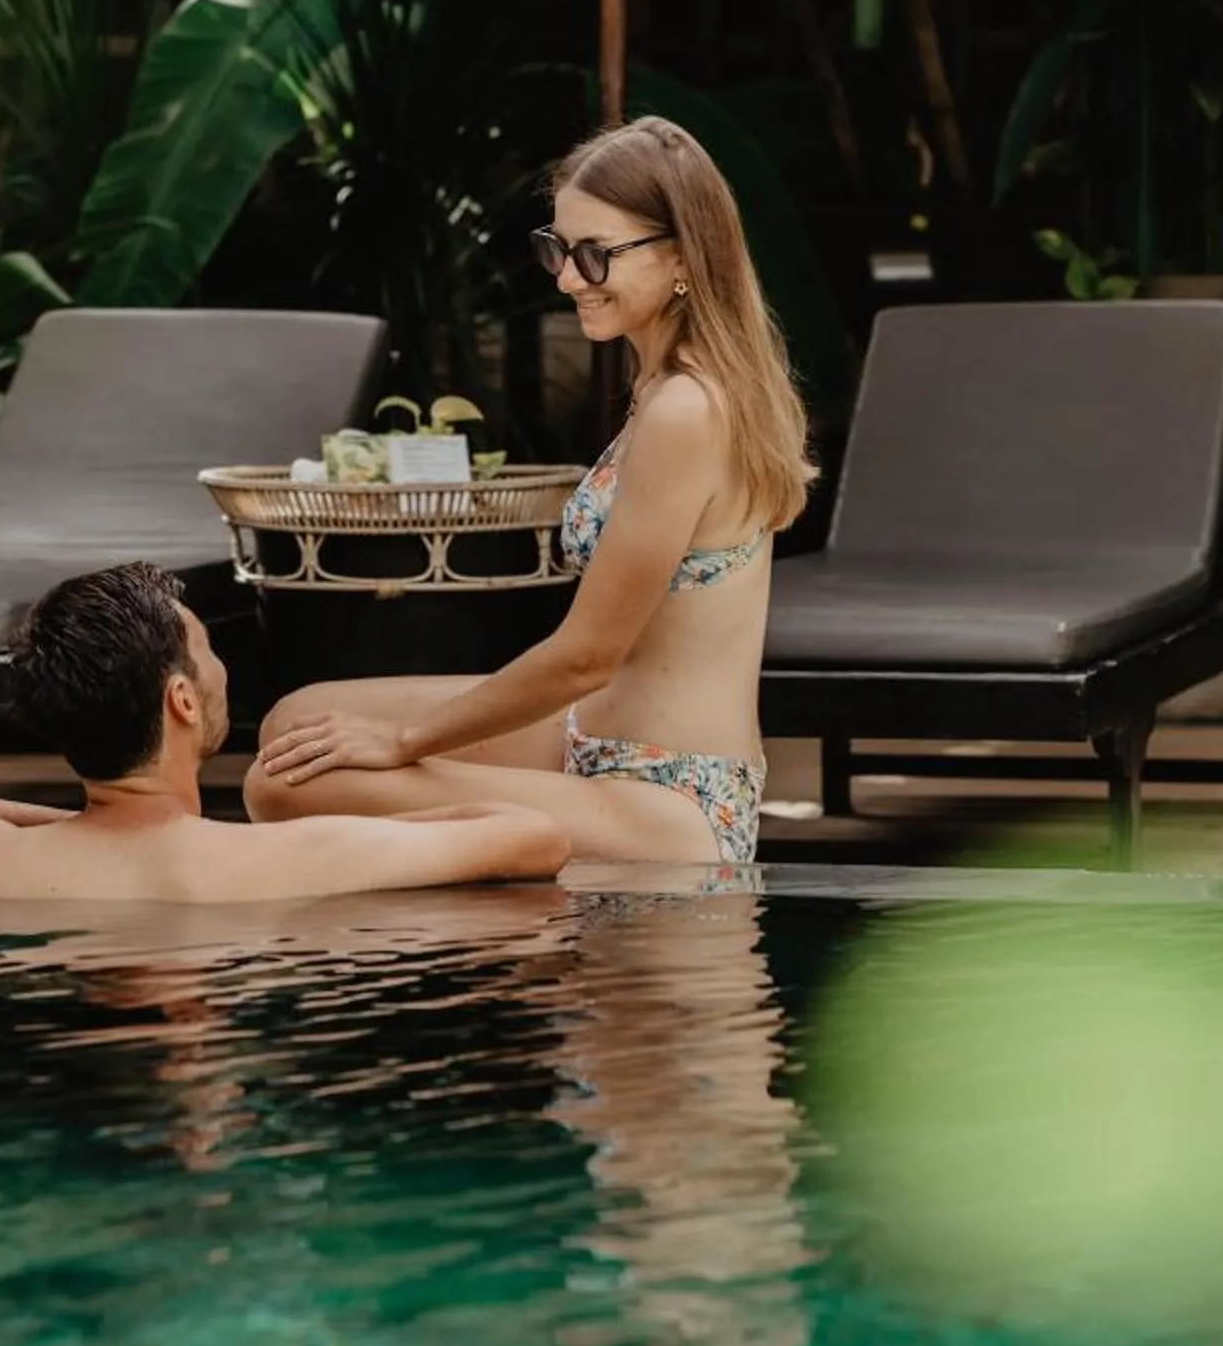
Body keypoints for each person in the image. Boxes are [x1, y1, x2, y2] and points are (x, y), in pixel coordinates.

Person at [250, 115, 815, 866]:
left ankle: (489, 906)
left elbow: (588, 656)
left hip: (667, 792)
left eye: (595, 255)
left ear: (681, 254)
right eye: (559, 249)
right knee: (298, 726)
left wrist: (405, 741)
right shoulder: (667, 385)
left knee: (285, 784)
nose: (567, 279)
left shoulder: (687, 410)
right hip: (589, 737)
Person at [0, 563, 570, 904]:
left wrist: (74, 825)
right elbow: (532, 838)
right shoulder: (289, 855)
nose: (223, 667)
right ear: (183, 700)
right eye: (207, 649)